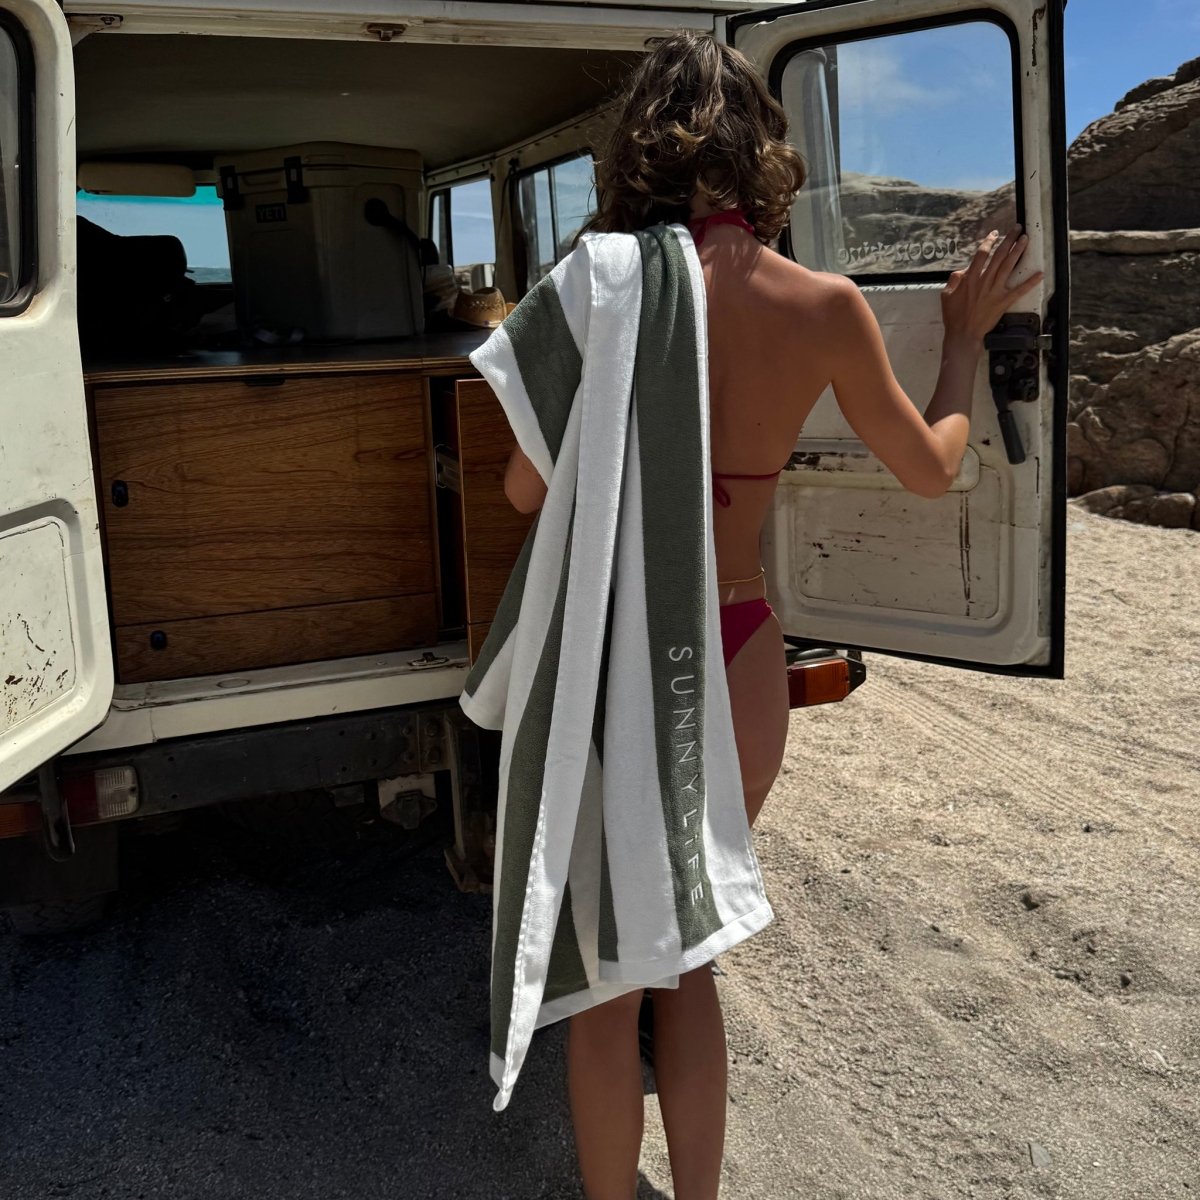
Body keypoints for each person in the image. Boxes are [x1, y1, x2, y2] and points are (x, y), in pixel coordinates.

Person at [499, 31, 1043, 1200]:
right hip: (737, 649)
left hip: (617, 660)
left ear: (637, 152)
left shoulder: (595, 288)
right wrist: (960, 343)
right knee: (687, 957)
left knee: (607, 984)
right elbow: (933, 468)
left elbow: (523, 492)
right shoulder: (825, 304)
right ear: (762, 153)